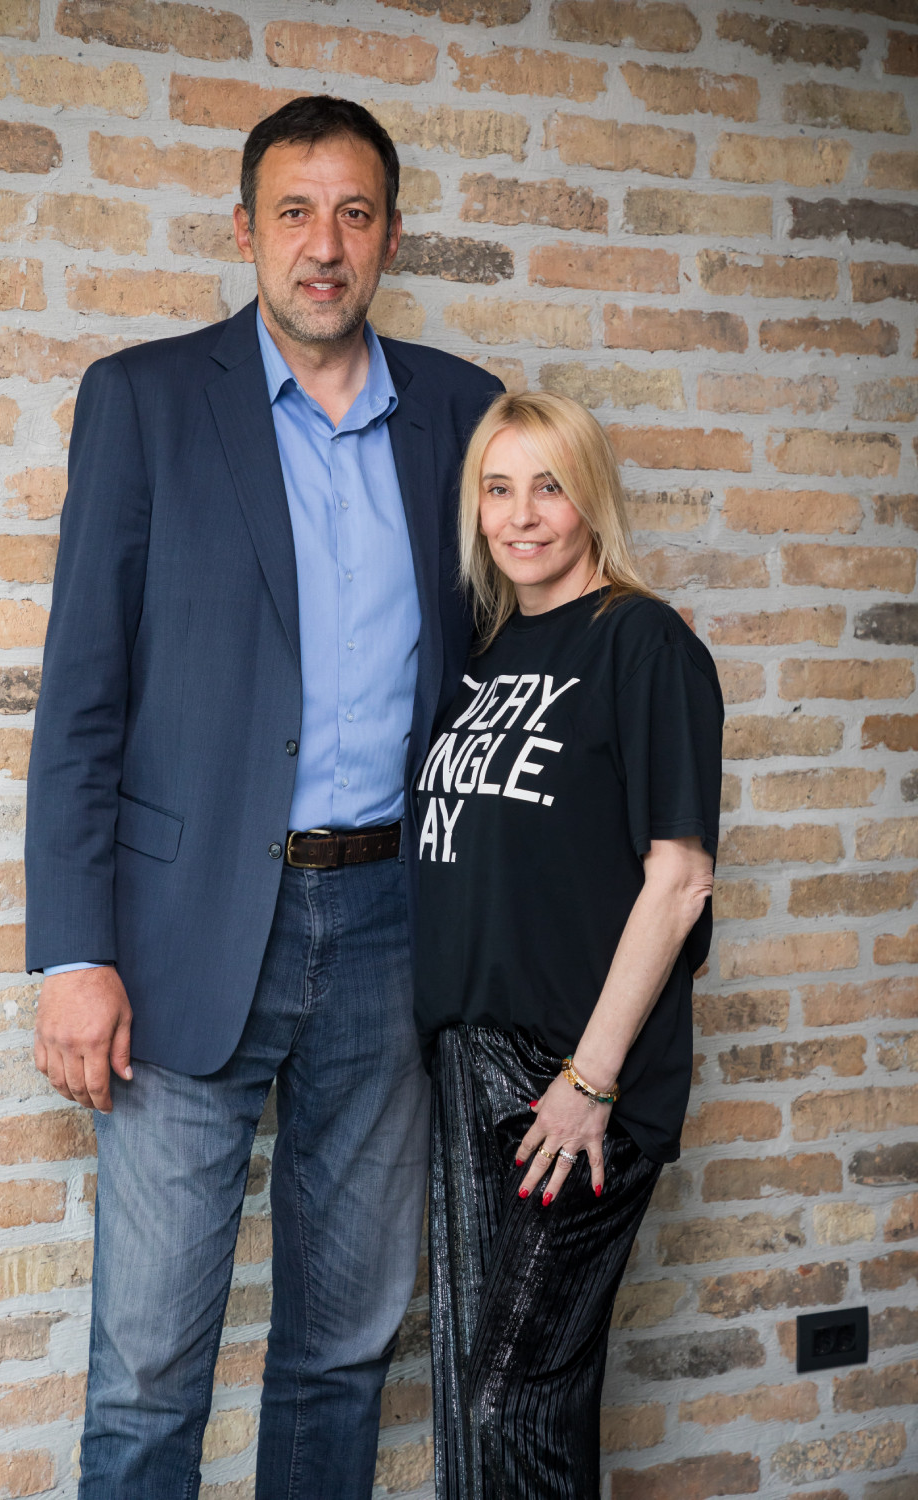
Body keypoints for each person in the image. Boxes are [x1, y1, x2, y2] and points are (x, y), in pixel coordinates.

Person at [24, 95, 502, 1500]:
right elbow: (82, 698)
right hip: (184, 933)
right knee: (147, 1372)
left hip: (392, 927)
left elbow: (501, 662)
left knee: (344, 1351)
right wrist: (74, 952)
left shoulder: (462, 412)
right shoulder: (146, 401)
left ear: (392, 239)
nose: (323, 245)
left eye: (354, 214)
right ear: (245, 230)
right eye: (294, 212)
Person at [414, 391, 724, 1499]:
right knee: (480, 1409)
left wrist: (589, 1082)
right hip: (469, 1059)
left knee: (512, 1401)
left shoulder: (642, 640)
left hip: (576, 1075)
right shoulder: (486, 653)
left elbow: (679, 880)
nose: (522, 514)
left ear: (591, 498)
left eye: (549, 486)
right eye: (498, 489)